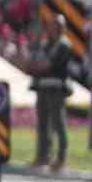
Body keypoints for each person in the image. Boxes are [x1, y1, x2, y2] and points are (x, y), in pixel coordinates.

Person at [28, 14, 74, 173]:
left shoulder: (63, 45)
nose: (51, 28)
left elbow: (48, 65)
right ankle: (43, 157)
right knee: (43, 124)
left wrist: (38, 65)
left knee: (58, 124)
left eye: (55, 25)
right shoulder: (45, 44)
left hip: (56, 88)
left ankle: (61, 159)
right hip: (42, 87)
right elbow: (33, 63)